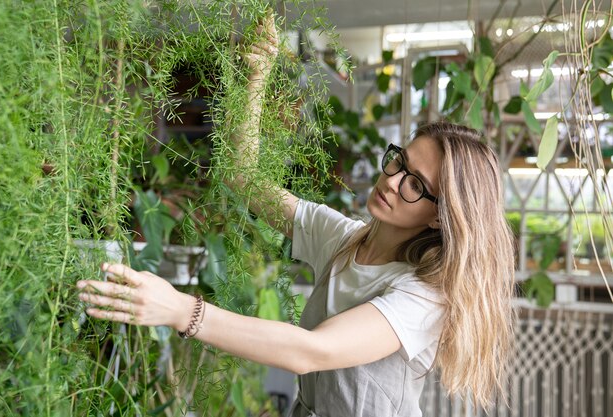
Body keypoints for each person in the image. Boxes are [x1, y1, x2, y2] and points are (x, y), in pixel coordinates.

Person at [76, 15, 515, 417]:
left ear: (443, 217)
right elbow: (244, 178)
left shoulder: (424, 295)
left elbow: (311, 350)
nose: (392, 181)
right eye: (399, 161)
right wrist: (255, 78)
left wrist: (180, 310)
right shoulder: (344, 238)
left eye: (416, 185)